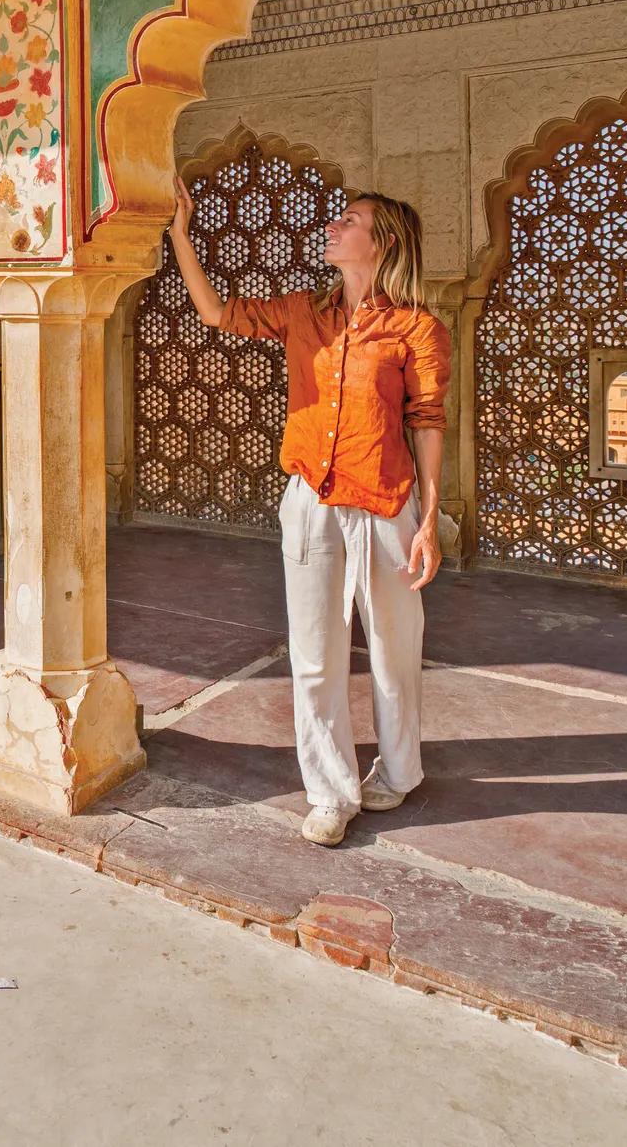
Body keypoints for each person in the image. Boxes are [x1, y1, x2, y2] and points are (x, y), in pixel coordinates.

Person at [167, 177, 452, 846]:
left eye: (347, 220)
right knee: (316, 656)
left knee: (392, 648)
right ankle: (329, 792)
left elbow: (429, 423)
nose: (332, 227)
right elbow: (218, 313)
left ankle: (400, 771)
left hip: (386, 507)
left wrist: (431, 522)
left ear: (381, 243)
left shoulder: (416, 329)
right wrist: (180, 232)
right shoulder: (304, 312)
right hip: (312, 503)